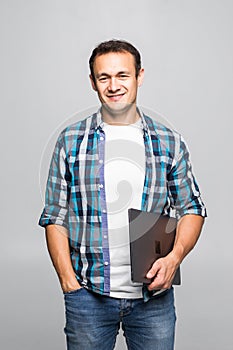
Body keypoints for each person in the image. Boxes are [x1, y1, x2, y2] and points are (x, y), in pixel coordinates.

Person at [39, 39, 207, 350]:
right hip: (88, 296)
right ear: (93, 82)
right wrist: (69, 283)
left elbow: (192, 208)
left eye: (123, 75)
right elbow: (55, 215)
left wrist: (174, 258)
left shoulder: (168, 141)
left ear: (139, 76)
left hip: (152, 299)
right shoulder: (71, 140)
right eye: (104, 77)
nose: (114, 85)